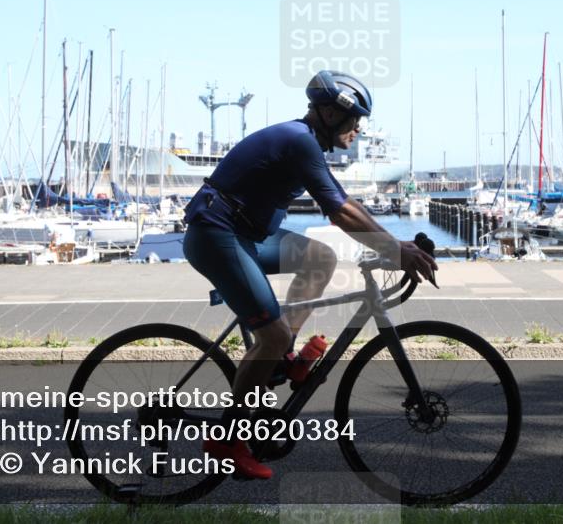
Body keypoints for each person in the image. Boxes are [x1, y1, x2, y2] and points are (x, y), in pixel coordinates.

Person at [182, 69, 437, 480]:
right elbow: (339, 213)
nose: (358, 129)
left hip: (243, 235)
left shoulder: (306, 144)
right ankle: (227, 438)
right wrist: (394, 249)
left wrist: (397, 246)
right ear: (330, 114)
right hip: (217, 236)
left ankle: (282, 357)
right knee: (273, 333)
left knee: (319, 259)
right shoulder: (300, 140)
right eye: (354, 120)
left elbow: (347, 203)